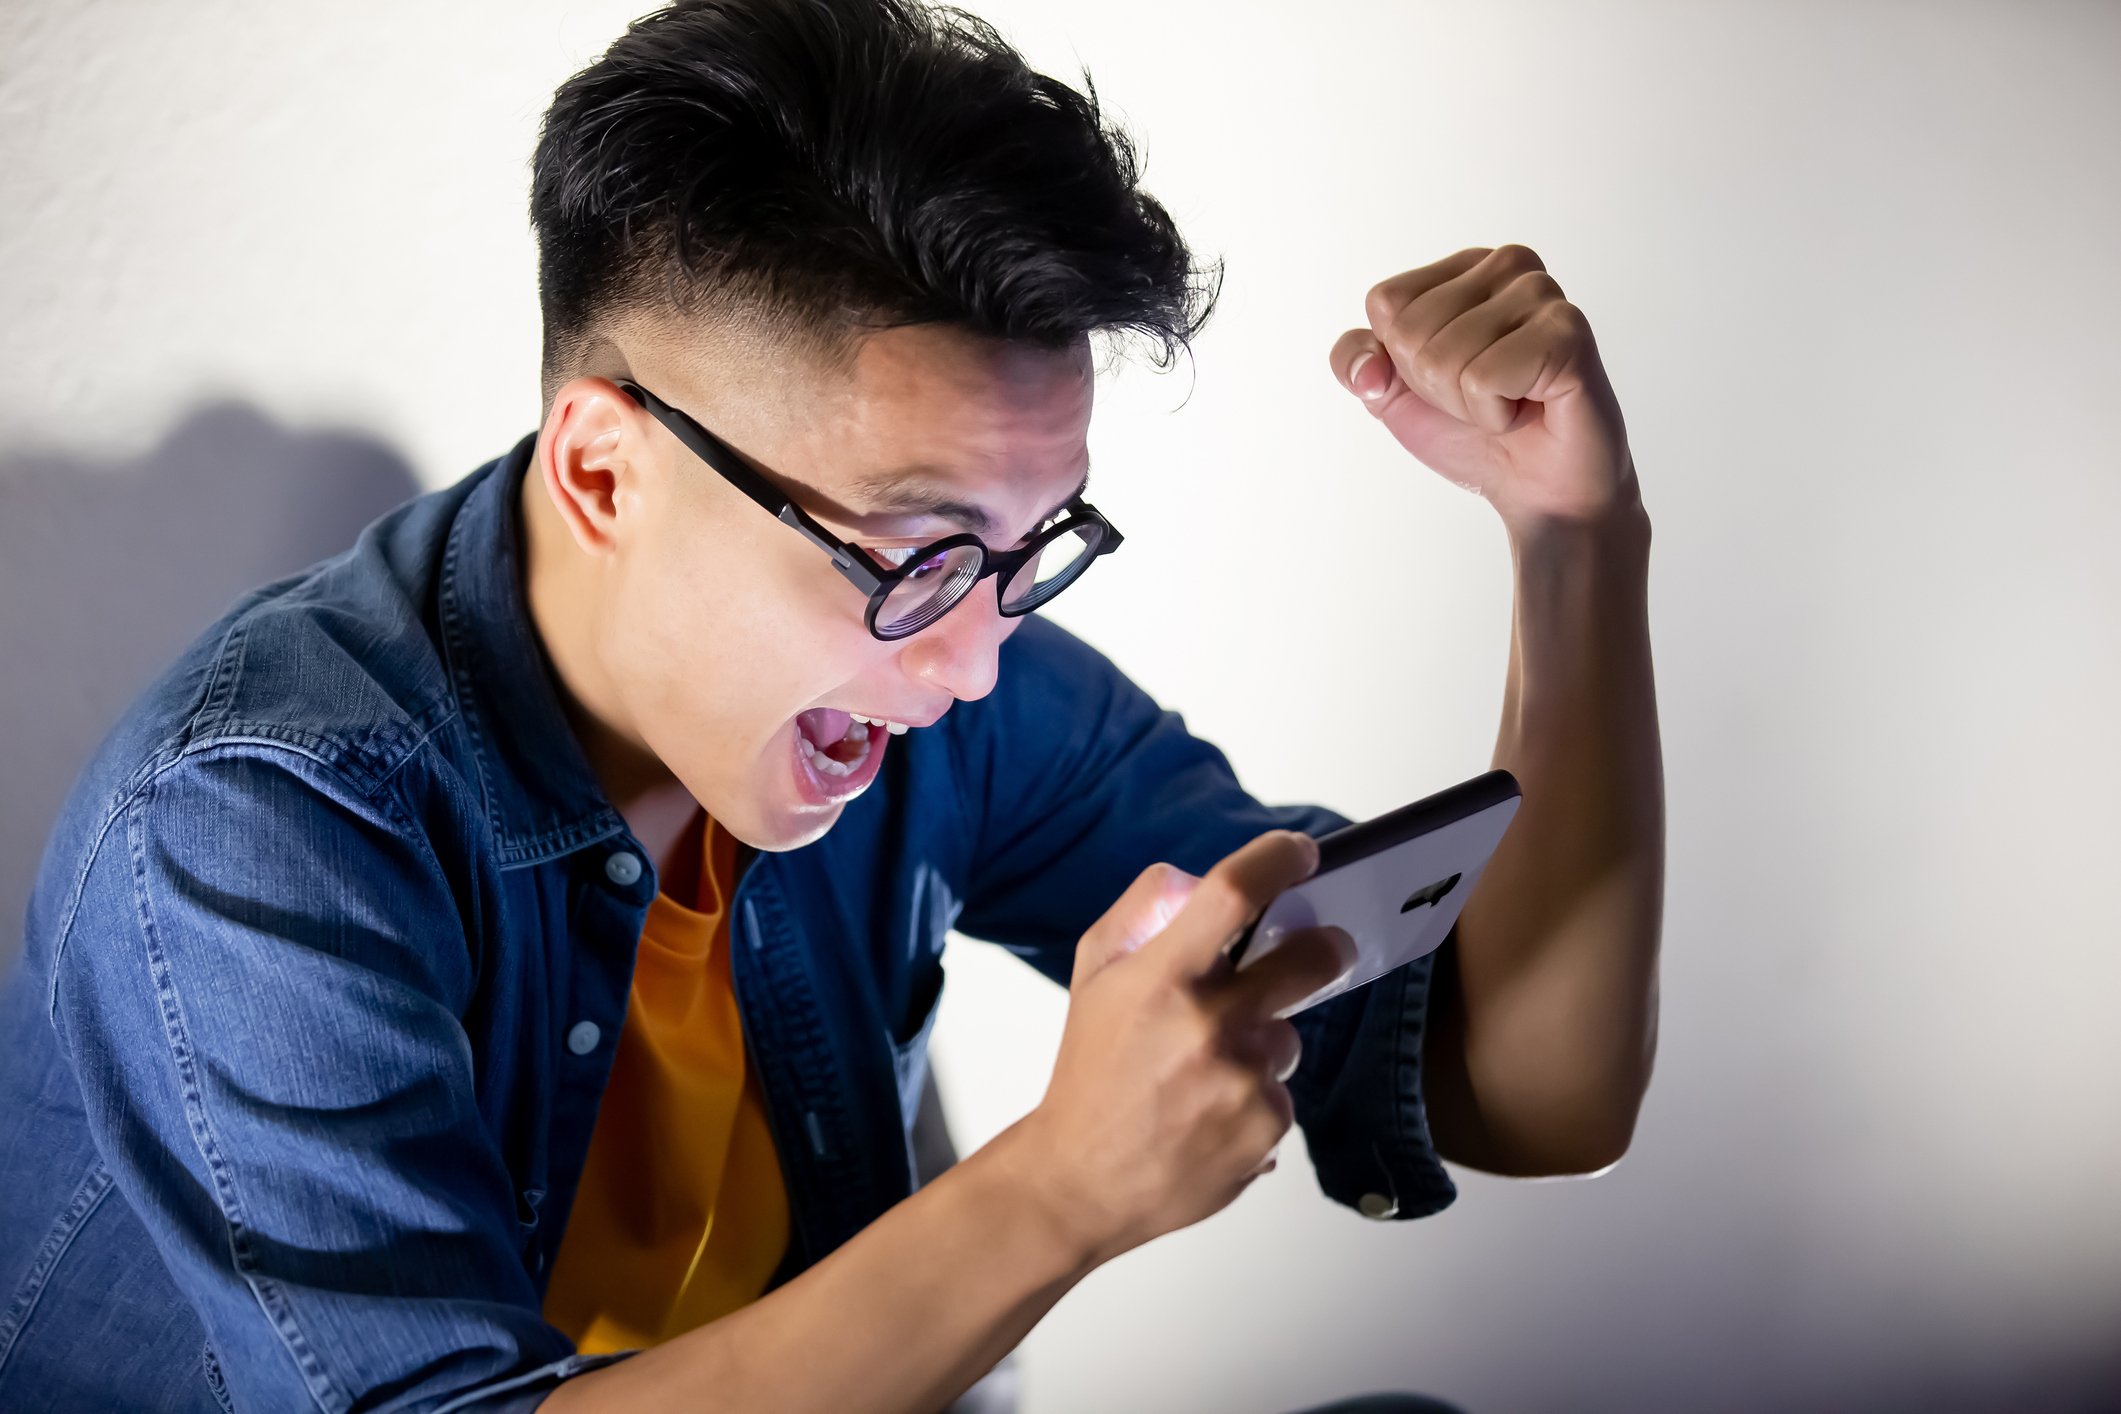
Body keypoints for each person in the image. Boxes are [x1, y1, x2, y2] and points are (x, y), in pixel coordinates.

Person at [0, 0, 1664, 1409]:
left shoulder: (945, 694)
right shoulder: (258, 816)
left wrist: (1573, 539)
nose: (975, 662)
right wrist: (1058, 1192)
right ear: (603, 468)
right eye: (919, 558)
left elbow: (1524, 1090)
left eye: (1027, 553)